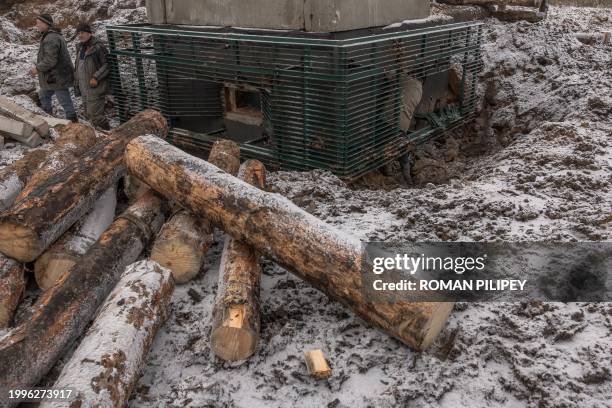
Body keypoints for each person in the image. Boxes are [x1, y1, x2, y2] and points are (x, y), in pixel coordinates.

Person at [29, 14, 77, 122]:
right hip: (53, 77)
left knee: (64, 100)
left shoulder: (51, 38)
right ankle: (48, 118)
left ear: (46, 24)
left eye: (39, 23)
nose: (37, 26)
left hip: (58, 77)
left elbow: (50, 60)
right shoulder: (52, 36)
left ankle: (73, 122)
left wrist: (37, 69)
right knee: (43, 94)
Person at [73, 22, 110, 130]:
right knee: (89, 114)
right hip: (84, 87)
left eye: (82, 32)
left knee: (96, 116)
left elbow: (107, 65)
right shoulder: (80, 48)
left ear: (89, 33)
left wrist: (96, 77)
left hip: (95, 87)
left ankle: (108, 133)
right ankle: (99, 135)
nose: (80, 35)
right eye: (78, 33)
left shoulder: (98, 47)